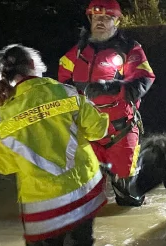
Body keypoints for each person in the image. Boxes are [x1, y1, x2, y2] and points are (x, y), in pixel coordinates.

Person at [0, 44, 110, 246]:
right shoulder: (68, 93)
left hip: (44, 204)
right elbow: (99, 129)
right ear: (34, 66)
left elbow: (3, 166)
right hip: (84, 191)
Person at [58, 0, 155, 207]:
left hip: (120, 130)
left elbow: (144, 79)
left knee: (129, 197)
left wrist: (112, 87)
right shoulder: (76, 53)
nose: (100, 22)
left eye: (107, 18)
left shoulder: (130, 49)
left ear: (117, 22)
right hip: (86, 131)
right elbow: (61, 83)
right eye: (96, 17)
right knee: (81, 196)